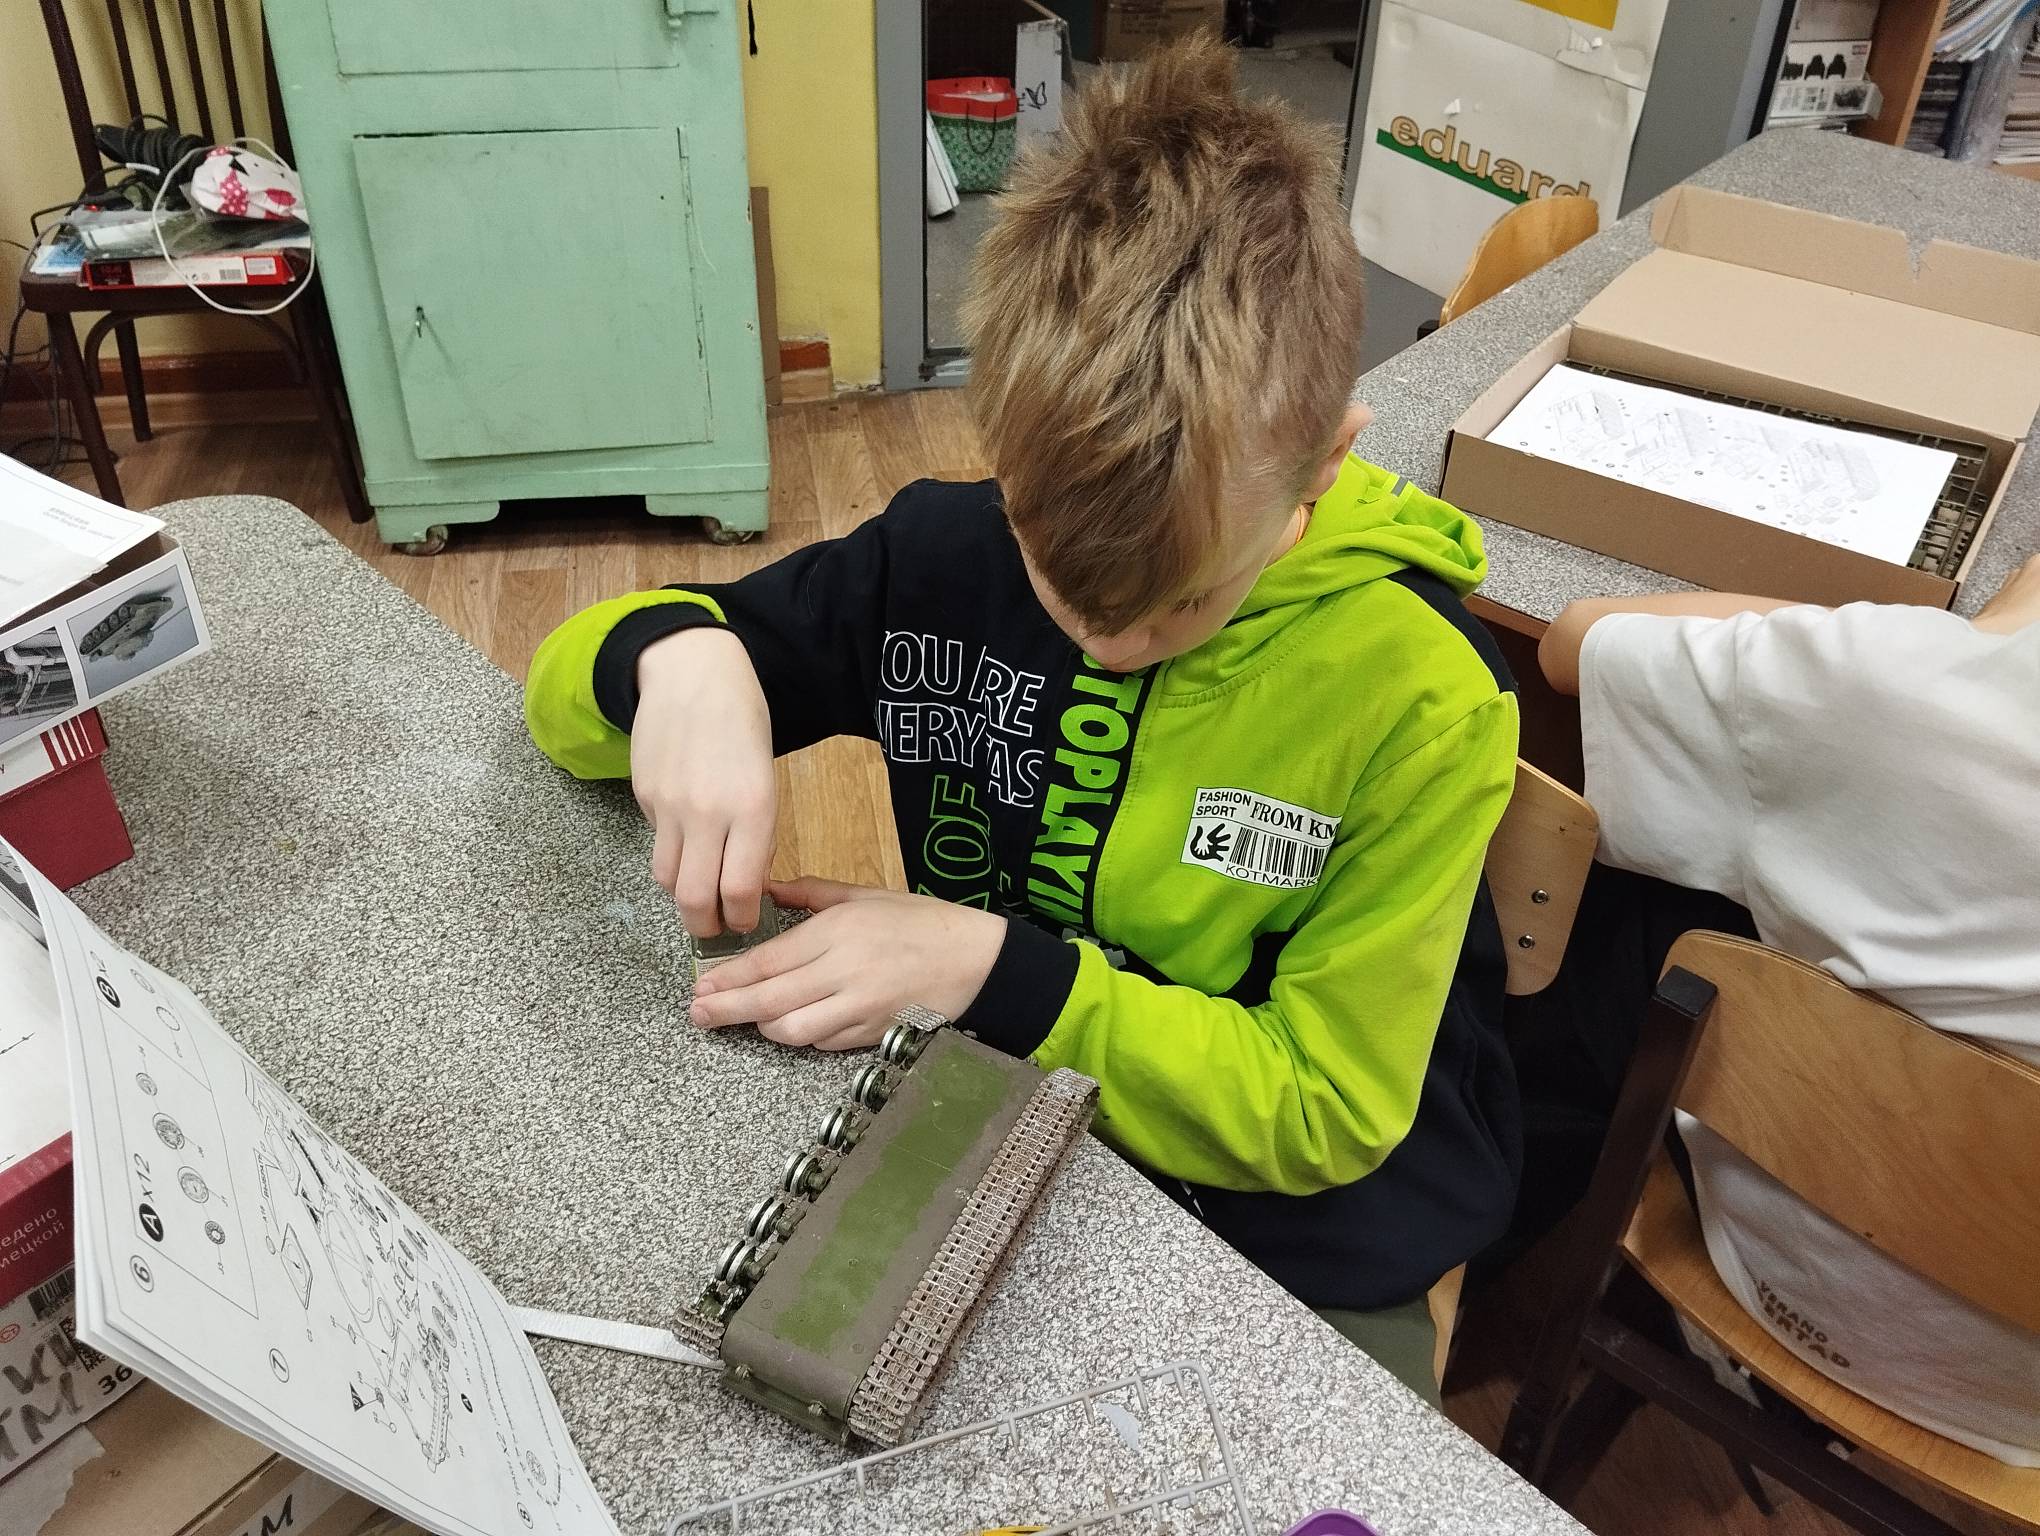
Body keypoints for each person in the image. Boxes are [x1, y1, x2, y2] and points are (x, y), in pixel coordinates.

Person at [524, 36, 1521, 1402]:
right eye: (1058, 577)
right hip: (997, 1128)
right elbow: (561, 696)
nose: (1110, 641)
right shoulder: (944, 554)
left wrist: (993, 970)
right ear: (996, 444)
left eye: (1182, 600)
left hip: (1295, 1235)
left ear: (1325, 464)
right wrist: (680, 658)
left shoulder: (1424, 697)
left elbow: (1326, 1111)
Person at [1534, 553, 2040, 1464]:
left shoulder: (1902, 680)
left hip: (1768, 1274)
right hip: (2019, 1404)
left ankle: (1495, 1218)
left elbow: (1574, 640)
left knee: (1662, 890)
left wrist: (1966, 637)